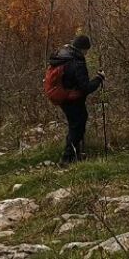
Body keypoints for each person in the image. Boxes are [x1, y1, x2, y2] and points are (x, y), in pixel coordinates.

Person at [48, 35, 105, 166]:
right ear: (83, 49)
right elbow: (85, 87)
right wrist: (99, 79)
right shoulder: (77, 62)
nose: (86, 53)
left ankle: (74, 154)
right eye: (86, 50)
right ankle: (67, 159)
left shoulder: (64, 56)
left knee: (76, 125)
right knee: (77, 126)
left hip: (64, 97)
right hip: (72, 99)